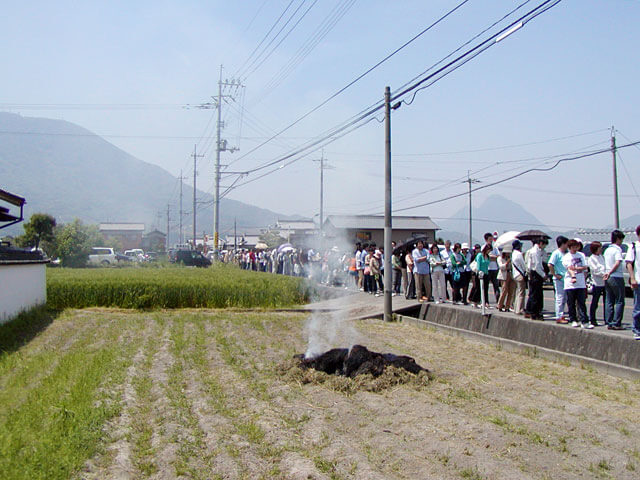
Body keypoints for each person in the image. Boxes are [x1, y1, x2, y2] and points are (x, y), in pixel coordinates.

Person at [562, 239, 590, 328]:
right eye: (573, 246)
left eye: (576, 246)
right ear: (569, 247)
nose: (575, 248)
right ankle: (573, 319)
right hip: (570, 284)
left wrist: (577, 269)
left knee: (581, 302)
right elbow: (569, 268)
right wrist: (576, 271)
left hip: (581, 282)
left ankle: (584, 321)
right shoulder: (566, 257)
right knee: (571, 303)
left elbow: (585, 267)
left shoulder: (581, 255)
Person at [603, 229, 626, 330]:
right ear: (617, 239)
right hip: (616, 276)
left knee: (609, 299)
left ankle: (609, 321)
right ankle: (616, 322)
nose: (621, 242)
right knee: (620, 300)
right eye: (621, 239)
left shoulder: (607, 250)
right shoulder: (617, 250)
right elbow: (617, 262)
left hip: (607, 276)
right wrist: (611, 272)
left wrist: (607, 273)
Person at [524, 237, 548, 321]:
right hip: (536, 274)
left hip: (535, 274)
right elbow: (537, 266)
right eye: (544, 245)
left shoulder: (537, 251)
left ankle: (530, 311)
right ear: (540, 243)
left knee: (534, 294)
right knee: (536, 295)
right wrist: (543, 275)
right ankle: (535, 313)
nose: (544, 247)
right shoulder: (535, 252)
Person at [547, 236, 569, 324]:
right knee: (560, 298)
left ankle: (562, 314)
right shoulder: (556, 253)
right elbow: (550, 264)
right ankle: (559, 316)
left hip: (566, 279)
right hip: (559, 279)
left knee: (564, 298)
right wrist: (555, 274)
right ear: (563, 244)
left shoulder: (566, 253)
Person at [625, 225, 640, 340]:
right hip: (638, 280)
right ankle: (636, 329)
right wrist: (632, 278)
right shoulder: (634, 246)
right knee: (638, 307)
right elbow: (629, 263)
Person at [588, 241, 605, 327]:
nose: (601, 249)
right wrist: (603, 274)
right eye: (599, 248)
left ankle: (607, 319)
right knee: (595, 301)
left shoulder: (601, 257)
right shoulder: (591, 258)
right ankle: (592, 319)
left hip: (605, 282)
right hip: (597, 282)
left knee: (606, 301)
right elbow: (595, 270)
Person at [469, 244, 491, 308]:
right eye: (488, 250)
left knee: (486, 288)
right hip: (479, 274)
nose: (489, 252)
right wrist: (478, 272)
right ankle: (475, 301)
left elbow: (487, 265)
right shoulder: (479, 255)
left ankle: (485, 302)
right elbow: (478, 264)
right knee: (478, 288)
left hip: (486, 273)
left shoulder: (487, 256)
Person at [497, 245, 515, 312]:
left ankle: (508, 306)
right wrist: (507, 263)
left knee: (511, 291)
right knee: (504, 291)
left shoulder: (511, 258)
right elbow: (501, 267)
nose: (508, 254)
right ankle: (500, 305)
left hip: (510, 274)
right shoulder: (500, 258)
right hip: (504, 275)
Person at [511, 240, 527, 315]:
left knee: (518, 292)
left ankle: (516, 308)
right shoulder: (519, 254)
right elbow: (523, 265)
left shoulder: (513, 253)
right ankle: (519, 309)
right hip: (520, 274)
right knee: (521, 292)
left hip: (515, 274)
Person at [484, 233, 501, 302]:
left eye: (492, 239)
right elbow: (486, 257)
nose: (491, 241)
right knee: (486, 286)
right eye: (489, 239)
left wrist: (491, 257)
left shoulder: (495, 248)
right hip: (487, 269)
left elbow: (498, 257)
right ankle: (486, 301)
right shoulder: (484, 247)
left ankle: (499, 301)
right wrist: (492, 257)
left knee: (496, 285)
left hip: (495, 268)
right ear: (486, 240)